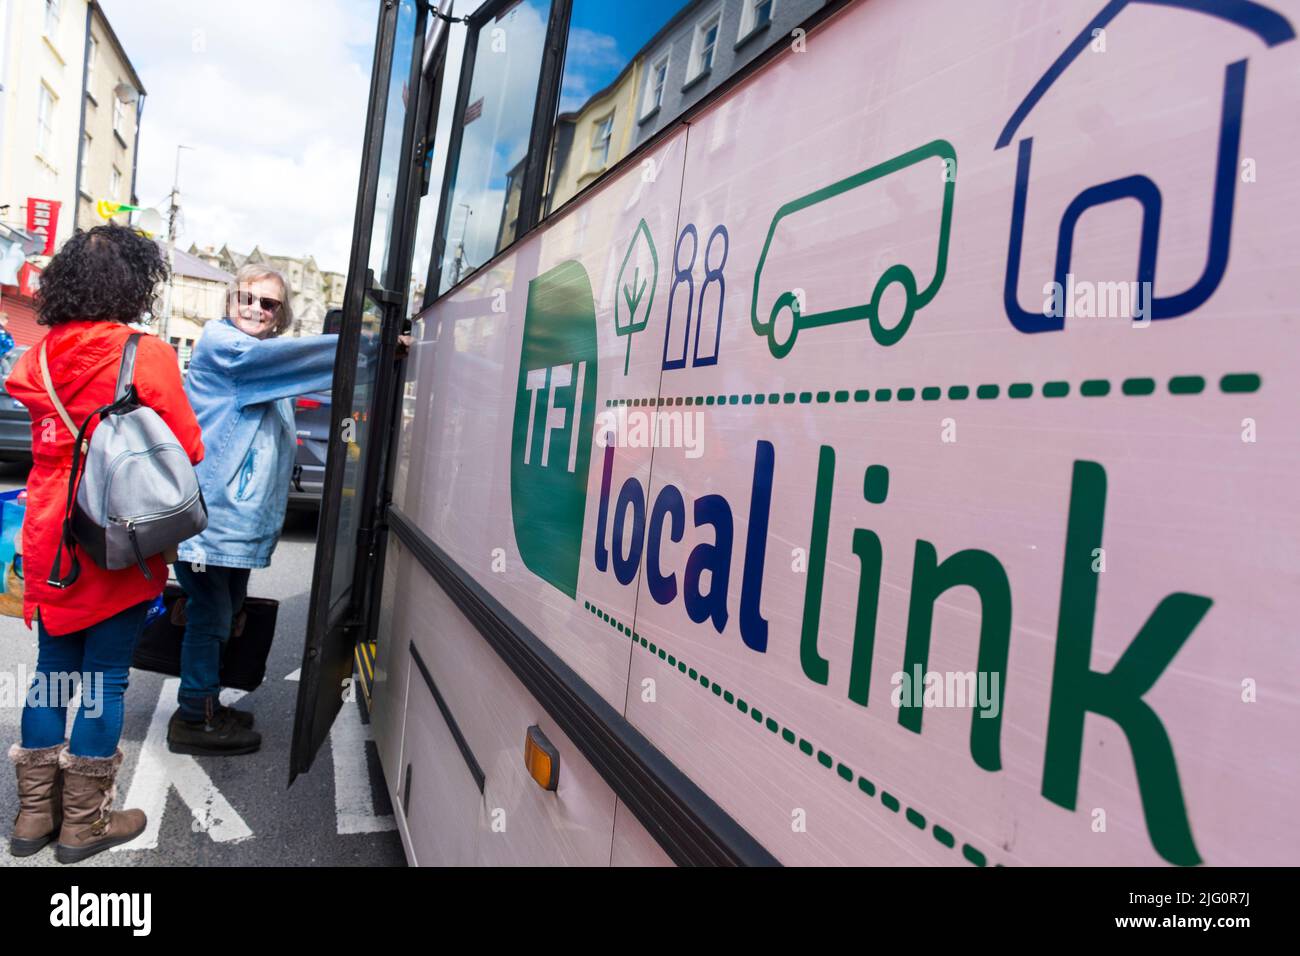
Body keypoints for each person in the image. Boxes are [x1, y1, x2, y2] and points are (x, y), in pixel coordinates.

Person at [5, 224, 203, 862]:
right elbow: (186, 449)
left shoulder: (33, 356)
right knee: (105, 679)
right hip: (115, 530)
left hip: (49, 531)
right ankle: (84, 824)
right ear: (133, 284)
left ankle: (34, 817)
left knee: (51, 674)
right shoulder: (143, 354)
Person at [168, 264, 341, 756]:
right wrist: (365, 345)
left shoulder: (258, 360)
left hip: (234, 525)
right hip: (209, 519)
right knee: (211, 616)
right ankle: (194, 716)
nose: (255, 309)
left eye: (268, 304)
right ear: (229, 301)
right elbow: (303, 358)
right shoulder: (224, 347)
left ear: (280, 314)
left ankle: (206, 702)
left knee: (226, 614)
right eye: (247, 297)